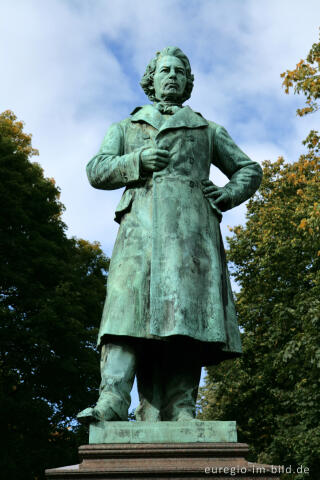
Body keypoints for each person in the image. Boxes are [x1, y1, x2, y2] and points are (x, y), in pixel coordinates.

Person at [78, 46, 262, 424]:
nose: (172, 76)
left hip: (190, 237)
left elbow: (248, 169)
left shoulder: (206, 129)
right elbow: (97, 171)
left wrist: (226, 196)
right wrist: (136, 162)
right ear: (151, 80)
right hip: (138, 234)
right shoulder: (126, 128)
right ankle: (112, 400)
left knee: (184, 322)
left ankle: (181, 407)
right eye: (165, 71)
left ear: (188, 82)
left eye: (180, 71)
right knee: (123, 316)